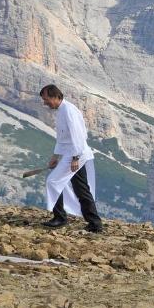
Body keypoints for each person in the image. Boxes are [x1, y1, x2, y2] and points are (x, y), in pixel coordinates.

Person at [39, 85, 103, 233]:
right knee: (81, 189)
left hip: (76, 154)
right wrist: (55, 156)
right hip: (73, 154)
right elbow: (62, 137)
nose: (45, 103)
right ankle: (95, 223)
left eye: (46, 99)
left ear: (55, 97)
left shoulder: (68, 110)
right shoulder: (62, 110)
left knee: (53, 181)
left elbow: (77, 135)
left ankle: (60, 218)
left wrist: (75, 157)